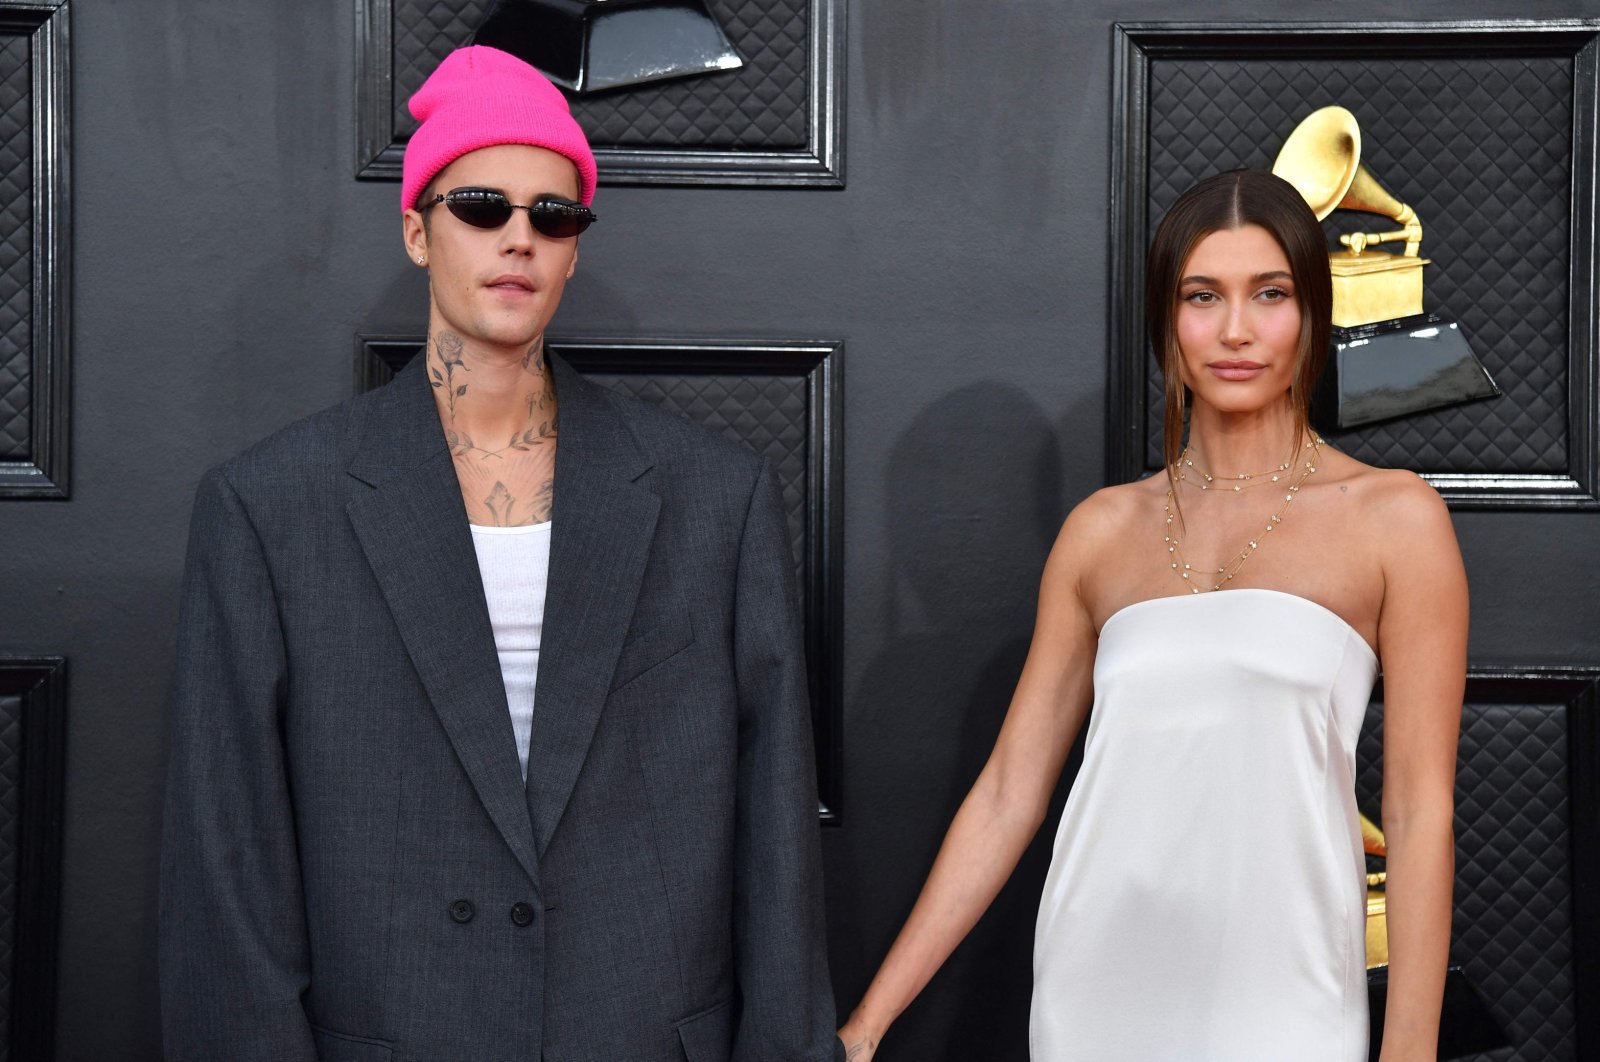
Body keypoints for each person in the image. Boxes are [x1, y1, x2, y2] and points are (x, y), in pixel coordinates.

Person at [160, 45, 841, 1062]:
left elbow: (775, 831)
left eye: (553, 215)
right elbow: (228, 859)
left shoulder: (711, 496)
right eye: (482, 206)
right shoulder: (270, 506)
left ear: (574, 249)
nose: (518, 237)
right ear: (416, 229)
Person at [837, 170, 1465, 1061]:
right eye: (1203, 296)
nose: (1236, 330)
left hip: (1286, 990)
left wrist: (1410, 1052)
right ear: (1166, 321)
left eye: (1270, 294)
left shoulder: (1396, 519)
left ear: (1313, 317)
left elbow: (1416, 813)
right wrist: (867, 1028)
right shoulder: (1101, 531)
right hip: (1097, 982)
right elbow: (1010, 791)